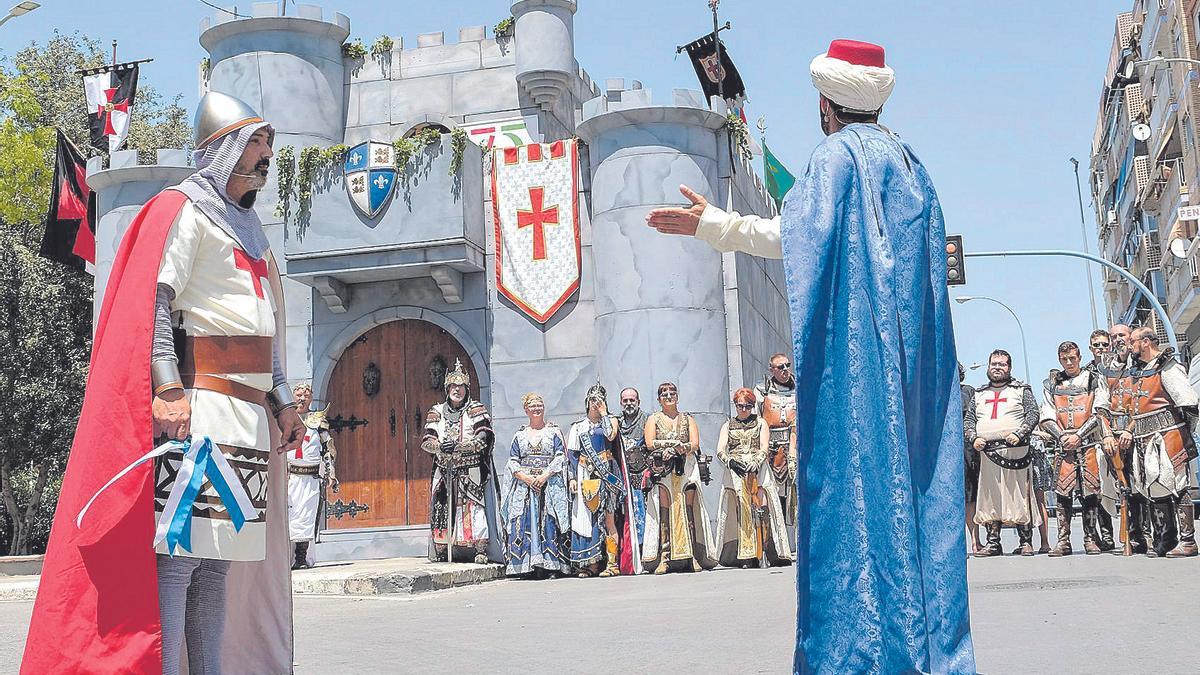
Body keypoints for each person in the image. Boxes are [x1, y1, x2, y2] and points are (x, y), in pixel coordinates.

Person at [646, 39, 973, 671]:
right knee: (915, 500)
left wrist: (714, 223)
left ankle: (860, 655)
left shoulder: (834, 159)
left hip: (861, 377)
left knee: (854, 506)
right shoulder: (911, 166)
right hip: (914, 377)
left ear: (827, 101)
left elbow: (790, 238)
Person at [23, 92, 302, 674]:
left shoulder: (251, 229)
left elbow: (266, 322)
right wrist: (168, 387)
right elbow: (156, 298)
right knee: (180, 560)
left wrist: (281, 398)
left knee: (218, 563)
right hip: (202, 410)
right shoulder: (187, 211)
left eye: (269, 144)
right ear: (222, 148)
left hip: (247, 418)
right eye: (254, 142)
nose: (265, 155)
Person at [1122, 328, 1198, 557]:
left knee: (1179, 486)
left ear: (1146, 342)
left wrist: (1185, 434)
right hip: (1145, 438)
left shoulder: (1167, 365)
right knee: (1156, 488)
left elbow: (1189, 402)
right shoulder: (1139, 370)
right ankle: (1167, 538)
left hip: (1169, 437)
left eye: (1133, 341)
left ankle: (1188, 541)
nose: (1129, 345)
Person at [421, 359, 497, 564]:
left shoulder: (476, 408)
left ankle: (479, 548)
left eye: (461, 386)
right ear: (447, 388)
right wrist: (440, 446)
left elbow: (484, 436)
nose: (457, 390)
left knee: (473, 506)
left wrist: (460, 447)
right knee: (441, 505)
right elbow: (426, 441)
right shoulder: (436, 411)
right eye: (453, 386)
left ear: (466, 388)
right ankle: (442, 546)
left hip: (470, 467)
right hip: (444, 467)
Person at [1039, 341, 1112, 556]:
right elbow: (1047, 415)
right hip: (1064, 447)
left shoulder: (1093, 379)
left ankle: (1090, 538)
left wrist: (1079, 435)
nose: (1069, 362)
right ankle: (1063, 541)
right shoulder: (1052, 384)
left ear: (1079, 357)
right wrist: (1062, 436)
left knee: (1090, 493)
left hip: (1088, 445)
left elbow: (1100, 410)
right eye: (1064, 359)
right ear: (1059, 359)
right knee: (1063, 494)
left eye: (1072, 358)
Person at [969, 349, 1040, 557]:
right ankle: (993, 543)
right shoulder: (979, 394)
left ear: (1009, 367)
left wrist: (1019, 433)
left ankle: (1026, 542)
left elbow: (1033, 414)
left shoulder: (1021, 390)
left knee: (1018, 496)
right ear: (988, 366)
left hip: (1016, 452)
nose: (997, 368)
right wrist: (974, 437)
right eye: (994, 364)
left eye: (1002, 364)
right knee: (990, 499)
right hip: (988, 453)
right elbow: (969, 420)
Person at [642, 382, 718, 573]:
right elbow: (650, 443)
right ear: (659, 399)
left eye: (672, 393)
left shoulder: (687, 419)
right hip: (664, 468)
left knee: (688, 509)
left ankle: (692, 556)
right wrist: (671, 445)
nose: (669, 396)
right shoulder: (653, 418)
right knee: (665, 511)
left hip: (687, 467)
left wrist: (682, 448)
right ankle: (665, 558)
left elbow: (695, 443)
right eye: (664, 394)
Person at [715, 388, 793, 567]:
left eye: (748, 406)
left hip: (758, 469)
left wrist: (757, 462)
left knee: (763, 508)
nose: (744, 409)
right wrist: (730, 462)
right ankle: (747, 554)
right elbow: (720, 449)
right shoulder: (728, 425)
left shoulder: (760, 423)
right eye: (740, 406)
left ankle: (766, 550)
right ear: (735, 405)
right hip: (736, 472)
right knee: (742, 511)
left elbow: (764, 447)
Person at [501, 393, 570, 577]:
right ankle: (527, 566)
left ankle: (551, 566)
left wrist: (545, 476)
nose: (537, 408)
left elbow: (560, 456)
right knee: (524, 523)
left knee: (549, 521)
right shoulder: (520, 435)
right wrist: (527, 478)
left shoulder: (553, 432)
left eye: (540, 405)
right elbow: (513, 461)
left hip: (549, 483)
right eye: (532, 405)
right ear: (526, 410)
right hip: (526, 486)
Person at [566, 384, 627, 577]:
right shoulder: (578, 427)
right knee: (587, 519)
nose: (595, 404)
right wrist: (573, 478)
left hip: (607, 474)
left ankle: (612, 563)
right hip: (585, 476)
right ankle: (591, 564)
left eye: (599, 400)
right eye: (592, 400)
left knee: (608, 519)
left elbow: (611, 435)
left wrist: (605, 413)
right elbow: (572, 456)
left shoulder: (611, 421)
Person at [1099, 323, 1150, 553]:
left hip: (1138, 433)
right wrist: (1108, 434)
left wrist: (1131, 429)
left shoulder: (1142, 365)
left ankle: (1148, 534)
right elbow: (1100, 406)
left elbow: (1143, 401)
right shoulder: (1105, 369)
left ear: (1131, 338)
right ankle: (1132, 534)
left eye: (1122, 335)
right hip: (1113, 438)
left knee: (1144, 484)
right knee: (1123, 487)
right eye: (1114, 336)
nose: (1118, 339)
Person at [288, 382, 338, 569]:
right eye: (299, 394)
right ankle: (286, 558)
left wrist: (331, 472)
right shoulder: (285, 418)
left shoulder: (318, 421)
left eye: (306, 395)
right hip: (289, 477)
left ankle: (301, 558)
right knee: (288, 518)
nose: (302, 398)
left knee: (306, 518)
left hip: (310, 478)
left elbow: (328, 449)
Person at [1082, 329, 1117, 550]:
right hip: (1094, 437)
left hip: (1119, 432)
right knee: (1096, 487)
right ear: (1091, 348)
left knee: (1129, 487)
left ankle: (1140, 535)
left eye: (1105, 344)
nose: (1101, 348)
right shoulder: (1085, 374)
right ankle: (1104, 536)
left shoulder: (1119, 367)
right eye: (1097, 345)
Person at [754, 353, 798, 526]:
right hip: (771, 450)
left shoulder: (800, 388)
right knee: (771, 494)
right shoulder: (761, 390)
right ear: (771, 369)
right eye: (780, 367)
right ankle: (774, 543)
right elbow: (755, 420)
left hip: (796, 448)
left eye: (787, 365)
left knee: (797, 495)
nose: (785, 370)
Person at [617, 387, 649, 573]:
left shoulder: (647, 420)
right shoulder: (617, 422)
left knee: (642, 516)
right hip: (622, 477)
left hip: (641, 475)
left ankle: (646, 555)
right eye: (625, 400)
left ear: (638, 401)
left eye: (632, 400)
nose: (629, 403)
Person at [961, 363, 981, 553]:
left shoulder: (968, 391)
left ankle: (976, 540)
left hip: (968, 449)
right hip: (946, 450)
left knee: (971, 496)